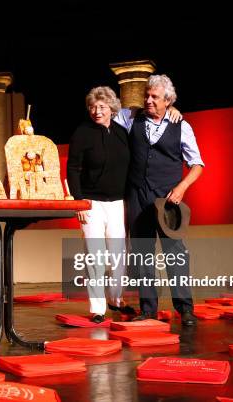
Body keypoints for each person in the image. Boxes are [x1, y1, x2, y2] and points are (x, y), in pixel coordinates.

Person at [116, 74, 204, 326]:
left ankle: (185, 309)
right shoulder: (132, 117)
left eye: (155, 97)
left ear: (168, 101)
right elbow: (106, 111)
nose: (148, 100)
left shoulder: (181, 126)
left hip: (168, 198)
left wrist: (182, 188)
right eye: (147, 95)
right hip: (137, 195)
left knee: (175, 255)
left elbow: (197, 164)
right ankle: (148, 310)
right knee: (143, 254)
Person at [67, 86, 135, 323]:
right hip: (91, 203)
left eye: (102, 107)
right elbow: (73, 169)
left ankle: (116, 300)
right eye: (93, 107)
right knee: (95, 256)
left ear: (111, 109)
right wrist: (78, 202)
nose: (97, 111)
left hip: (118, 203)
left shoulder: (121, 132)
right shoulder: (82, 133)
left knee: (118, 255)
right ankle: (97, 308)